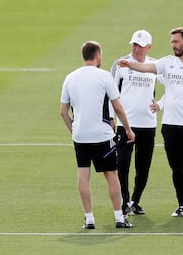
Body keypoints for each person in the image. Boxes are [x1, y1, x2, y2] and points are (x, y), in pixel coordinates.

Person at [118, 27, 183, 217]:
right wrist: (129, 65)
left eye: (176, 41)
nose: (173, 45)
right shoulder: (166, 62)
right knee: (177, 167)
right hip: (170, 126)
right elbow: (146, 67)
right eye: (172, 42)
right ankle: (182, 205)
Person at [60, 41, 134, 229]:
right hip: (102, 135)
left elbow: (63, 111)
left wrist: (74, 131)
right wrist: (128, 128)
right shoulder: (104, 76)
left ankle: (89, 218)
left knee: (83, 175)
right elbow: (117, 107)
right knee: (112, 175)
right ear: (98, 56)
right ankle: (119, 217)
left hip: (80, 136)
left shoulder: (70, 77)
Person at [110, 30, 161, 216]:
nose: (136, 48)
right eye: (134, 45)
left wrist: (160, 104)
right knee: (122, 163)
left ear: (149, 47)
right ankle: (123, 201)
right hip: (125, 124)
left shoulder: (155, 65)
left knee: (143, 166)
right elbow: (111, 92)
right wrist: (110, 119)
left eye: (140, 45)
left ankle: (135, 201)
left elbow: (172, 86)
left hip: (148, 124)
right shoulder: (120, 64)